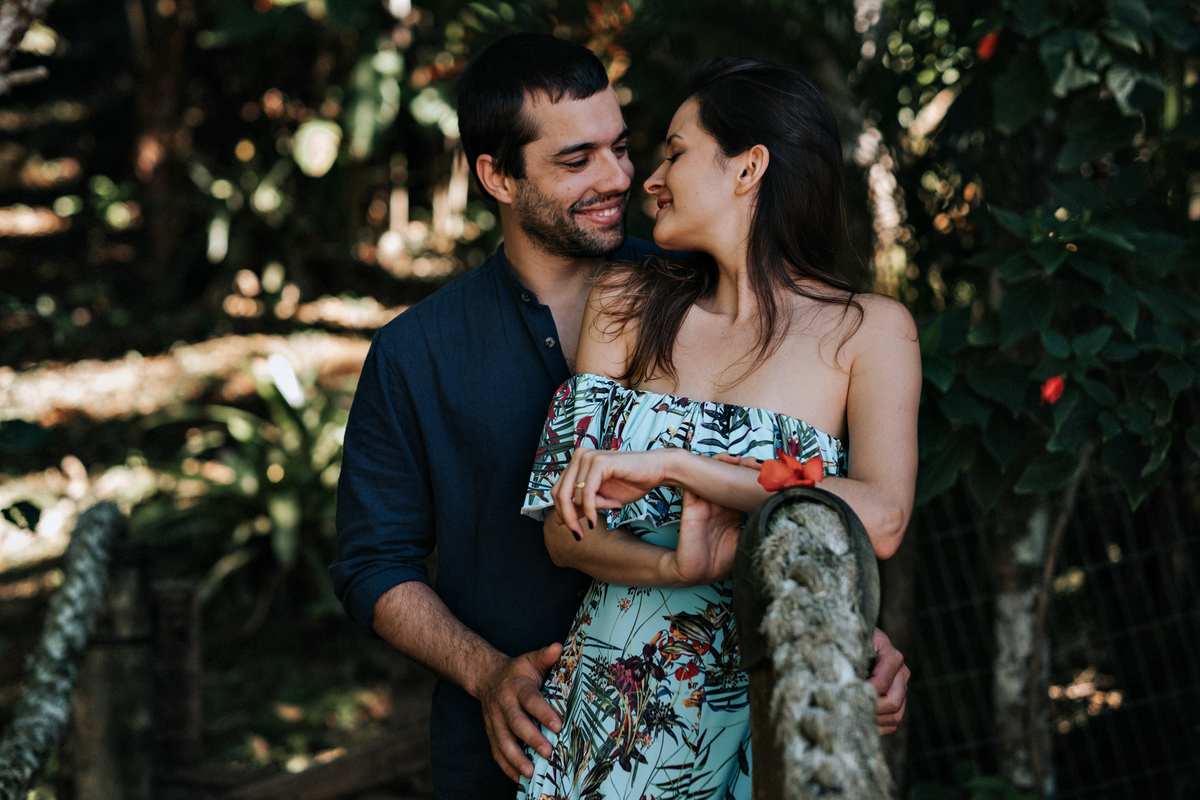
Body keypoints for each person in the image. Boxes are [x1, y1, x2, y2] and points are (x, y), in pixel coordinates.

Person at [330, 34, 910, 800]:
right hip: (532, 735)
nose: (624, 179)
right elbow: (375, 563)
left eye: (626, 149)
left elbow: (850, 511)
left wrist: (838, 624)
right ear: (497, 177)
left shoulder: (667, 286)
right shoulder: (419, 352)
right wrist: (486, 674)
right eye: (577, 160)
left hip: (753, 722)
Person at [513, 58, 921, 799]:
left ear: (747, 168)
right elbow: (561, 530)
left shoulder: (869, 331)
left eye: (673, 152)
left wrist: (682, 467)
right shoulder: (624, 303)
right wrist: (679, 568)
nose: (650, 177)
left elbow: (883, 517)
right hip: (612, 711)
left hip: (770, 706)